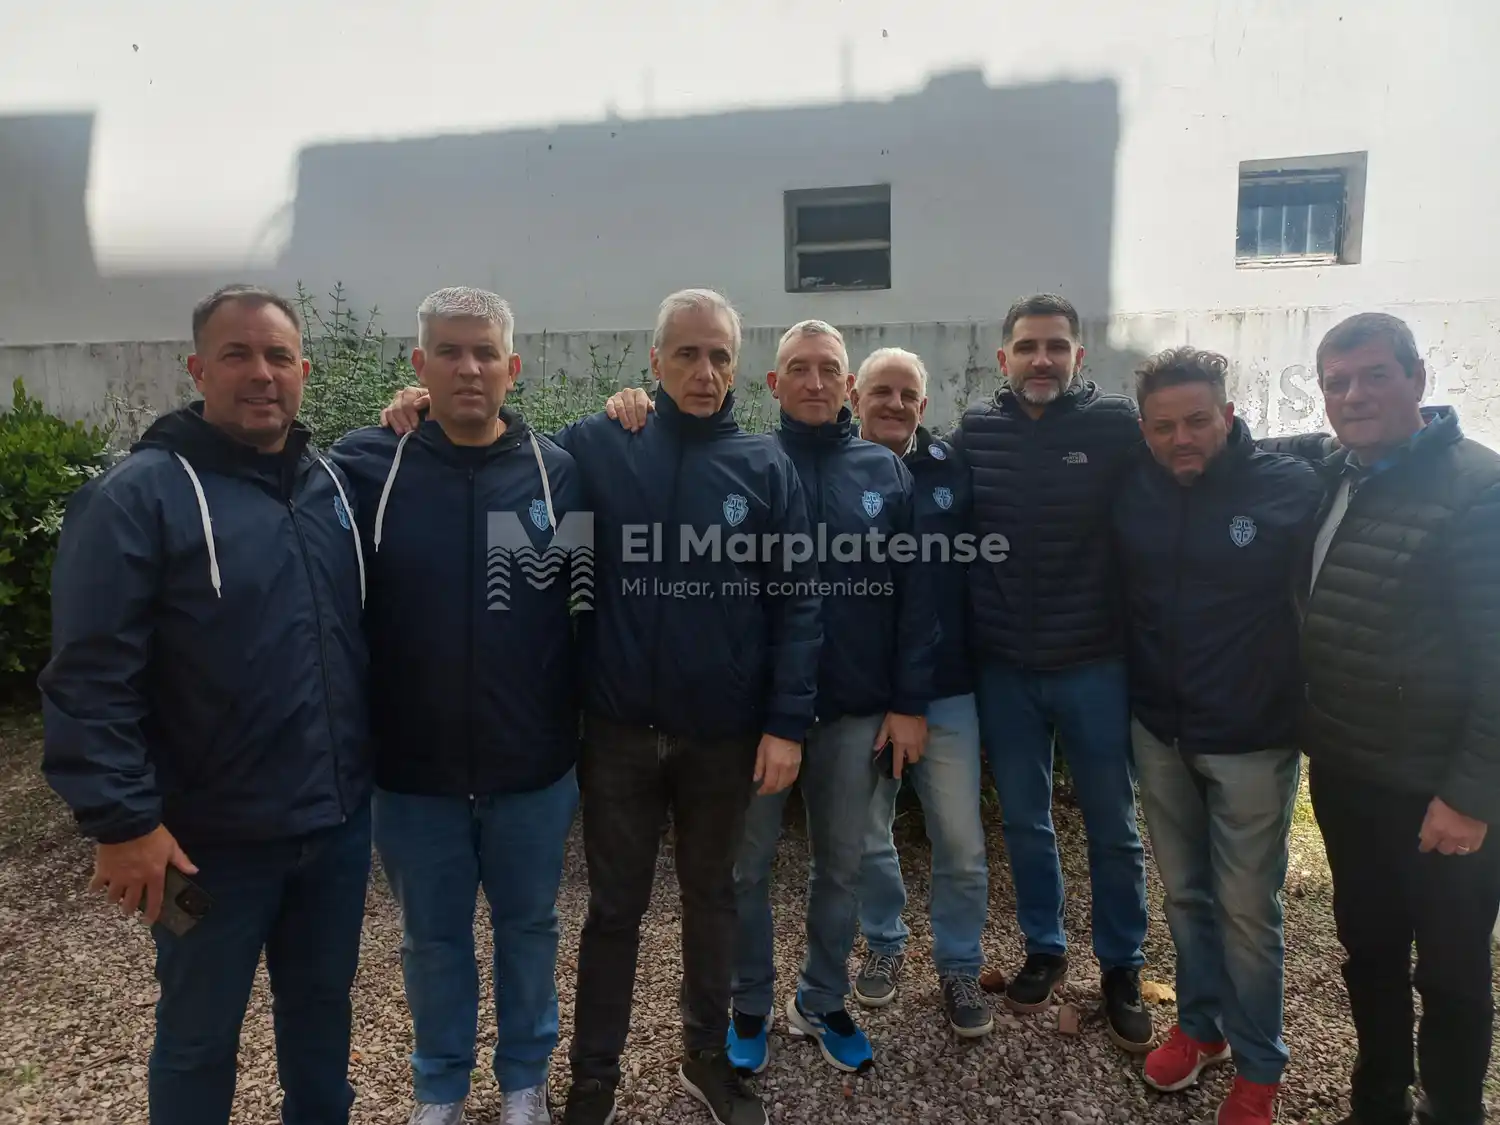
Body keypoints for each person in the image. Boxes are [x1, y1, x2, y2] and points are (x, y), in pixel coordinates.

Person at [384, 287, 823, 1125]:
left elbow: (798, 604)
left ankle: (704, 1054)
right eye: (686, 354)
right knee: (612, 909)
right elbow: (502, 441)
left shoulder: (765, 467)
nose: (704, 371)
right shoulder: (597, 445)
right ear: (652, 361)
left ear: (741, 368)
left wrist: (785, 724)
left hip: (723, 737)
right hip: (617, 730)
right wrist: (416, 407)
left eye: (720, 356)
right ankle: (594, 1073)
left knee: (714, 898)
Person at [38, 285, 372, 1125]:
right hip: (199, 852)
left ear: (304, 369)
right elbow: (87, 677)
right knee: (196, 1035)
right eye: (237, 355)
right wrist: (120, 823)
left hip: (331, 835)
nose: (261, 374)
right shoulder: (135, 497)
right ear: (196, 369)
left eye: (278, 356)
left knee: (323, 1016)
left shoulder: (330, 485)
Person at [604, 322, 939, 1074]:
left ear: (847, 385)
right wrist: (629, 403)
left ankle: (821, 997)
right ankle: (749, 1000)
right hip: (755, 717)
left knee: (843, 864)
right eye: (799, 369)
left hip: (855, 708)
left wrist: (908, 701)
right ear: (772, 383)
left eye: (829, 370)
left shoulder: (884, 474)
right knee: (743, 869)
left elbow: (917, 598)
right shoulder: (746, 461)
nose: (816, 382)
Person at [328, 288, 583, 1125]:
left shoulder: (559, 472)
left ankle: (523, 1082)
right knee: (431, 941)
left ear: (513, 367)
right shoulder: (368, 466)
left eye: (484, 353)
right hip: (411, 771)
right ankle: (439, 1086)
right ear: (418, 366)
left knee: (529, 929)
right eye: (448, 351)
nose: (468, 367)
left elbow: (576, 606)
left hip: (532, 767)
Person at [1291, 313, 1500, 1125]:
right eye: (1337, 381)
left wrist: (1473, 793)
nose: (1354, 394)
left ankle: (1451, 1110)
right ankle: (1376, 1102)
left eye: (1374, 375)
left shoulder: (1478, 489)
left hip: (1440, 790)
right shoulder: (1337, 472)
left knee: (1450, 971)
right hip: (1348, 774)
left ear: (1418, 378)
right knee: (1369, 951)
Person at [1112, 347, 1323, 1125]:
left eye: (1198, 420)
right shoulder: (1134, 487)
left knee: (1246, 906)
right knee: (1186, 894)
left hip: (1253, 737)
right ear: (1145, 430)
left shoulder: (1289, 488)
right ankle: (1202, 1025)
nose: (1182, 439)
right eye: (1163, 426)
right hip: (1159, 730)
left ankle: (1261, 1062)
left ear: (1229, 416)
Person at [957, 293, 1152, 1052]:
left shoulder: (1112, 429)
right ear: (1003, 357)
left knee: (1113, 823)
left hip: (1094, 663)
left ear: (1078, 357)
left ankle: (1123, 965)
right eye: (1029, 346)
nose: (1043, 359)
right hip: (1005, 666)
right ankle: (1045, 947)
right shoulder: (977, 429)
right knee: (1025, 819)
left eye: (1058, 346)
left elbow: (1180, 476)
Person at [845, 347, 992, 1039]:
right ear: (855, 393)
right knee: (869, 835)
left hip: (946, 689)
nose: (895, 403)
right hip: (863, 691)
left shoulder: (953, 472)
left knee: (960, 841)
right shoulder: (828, 467)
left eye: (908, 393)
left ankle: (960, 963)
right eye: (882, 390)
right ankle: (884, 938)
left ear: (923, 406)